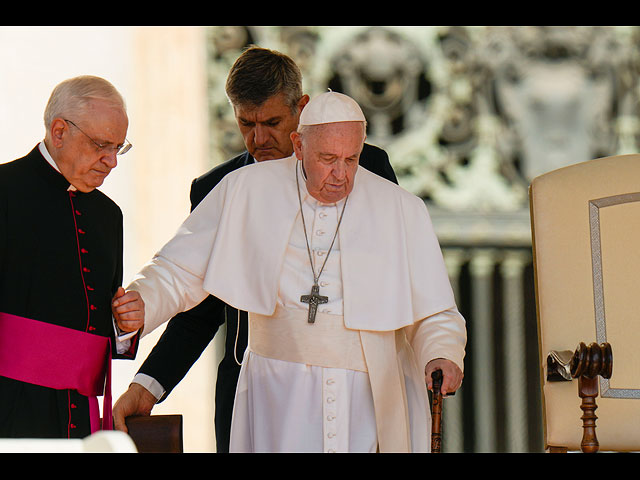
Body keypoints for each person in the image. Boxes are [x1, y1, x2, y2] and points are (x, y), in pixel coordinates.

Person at [119, 90, 466, 453]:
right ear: (298, 146)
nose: (341, 174)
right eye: (328, 158)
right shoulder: (244, 190)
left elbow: (435, 309)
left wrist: (441, 351)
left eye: (351, 159)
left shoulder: (402, 208)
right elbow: (178, 268)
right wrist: (143, 301)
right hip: (276, 394)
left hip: (369, 395)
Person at [0, 75, 145, 439]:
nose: (111, 161)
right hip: (10, 411)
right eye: (100, 145)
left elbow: (100, 325)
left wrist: (123, 327)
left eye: (118, 147)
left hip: (81, 417)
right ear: (59, 131)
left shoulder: (109, 216)